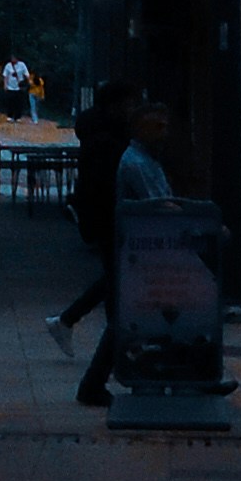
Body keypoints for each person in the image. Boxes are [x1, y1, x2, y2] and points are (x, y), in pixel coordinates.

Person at [76, 104, 181, 407]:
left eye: (166, 126)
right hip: (143, 250)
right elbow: (157, 204)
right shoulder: (137, 163)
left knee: (139, 317)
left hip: (146, 249)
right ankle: (96, 383)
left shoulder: (148, 160)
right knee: (135, 317)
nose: (164, 132)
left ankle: (99, 382)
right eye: (157, 126)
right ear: (139, 128)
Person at [47, 80, 135, 347]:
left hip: (105, 217)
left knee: (115, 277)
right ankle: (106, 343)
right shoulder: (106, 141)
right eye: (129, 104)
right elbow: (102, 184)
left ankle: (72, 322)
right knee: (117, 278)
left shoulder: (101, 134)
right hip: (109, 217)